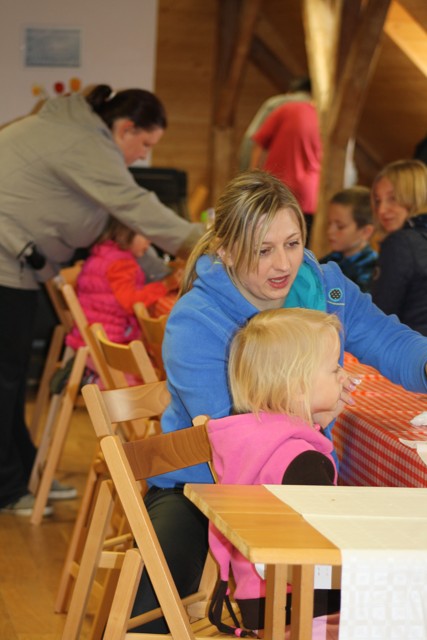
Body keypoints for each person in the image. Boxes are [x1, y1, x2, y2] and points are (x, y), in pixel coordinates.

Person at [130, 169, 427, 633]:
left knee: (378, 567)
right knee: (157, 585)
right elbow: (231, 434)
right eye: (263, 250)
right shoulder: (198, 320)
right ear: (227, 251)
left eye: (292, 243)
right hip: (203, 481)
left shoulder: (327, 289)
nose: (283, 264)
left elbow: (386, 338)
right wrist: (311, 416)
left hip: (297, 478)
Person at [0, 84, 203, 516]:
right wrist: (204, 244)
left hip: (14, 263)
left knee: (10, 383)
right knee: (4, 382)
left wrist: (160, 270)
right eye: (144, 144)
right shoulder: (83, 141)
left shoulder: (78, 135)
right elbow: (133, 206)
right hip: (6, 262)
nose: (141, 156)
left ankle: (23, 475)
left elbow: (120, 223)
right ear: (125, 128)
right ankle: (8, 487)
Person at [208, 307, 343, 635]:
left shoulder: (253, 435)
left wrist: (315, 424)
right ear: (298, 388)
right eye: (334, 369)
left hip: (258, 598)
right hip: (301, 604)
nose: (343, 375)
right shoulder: (302, 460)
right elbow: (331, 539)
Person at [66, 217, 180, 351]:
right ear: (127, 234)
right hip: (111, 343)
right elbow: (131, 303)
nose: (149, 241)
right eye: (145, 236)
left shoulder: (103, 255)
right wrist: (165, 285)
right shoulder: (120, 264)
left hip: (89, 337)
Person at [249, 79, 321, 243]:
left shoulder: (285, 109)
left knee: (268, 242)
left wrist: (254, 177)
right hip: (310, 194)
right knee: (301, 245)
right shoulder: (323, 116)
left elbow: (258, 143)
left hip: (278, 188)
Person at [371, 159, 427, 336]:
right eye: (378, 201)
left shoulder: (401, 242)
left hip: (412, 347)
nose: (381, 210)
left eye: (393, 198)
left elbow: (380, 314)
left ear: (416, 196)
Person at [238, 76, 312, 172]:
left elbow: (254, 138)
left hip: (269, 169)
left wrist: (252, 172)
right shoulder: (312, 107)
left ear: (290, 92)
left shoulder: (276, 102)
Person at [320, 186, 377, 293]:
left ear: (366, 232)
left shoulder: (373, 270)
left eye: (340, 226)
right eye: (329, 223)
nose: (329, 231)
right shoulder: (329, 261)